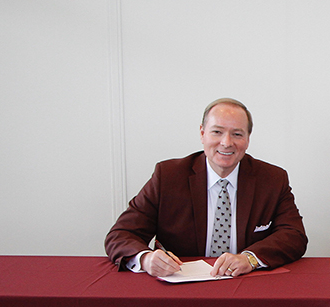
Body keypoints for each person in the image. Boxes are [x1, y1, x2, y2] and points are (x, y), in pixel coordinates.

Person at [105, 98, 307, 278]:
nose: (226, 143)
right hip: (181, 286)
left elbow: (294, 235)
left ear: (247, 139)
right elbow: (121, 234)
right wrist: (146, 259)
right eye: (217, 132)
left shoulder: (272, 179)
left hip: (245, 285)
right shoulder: (167, 176)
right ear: (202, 133)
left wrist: (250, 259)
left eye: (237, 134)